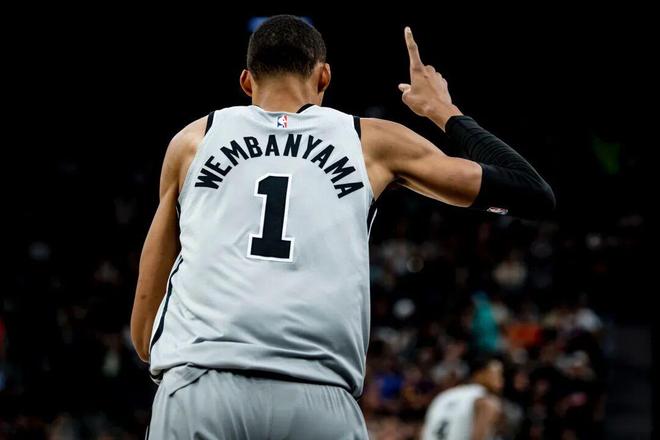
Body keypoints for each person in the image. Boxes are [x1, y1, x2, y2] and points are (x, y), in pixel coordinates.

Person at [130, 14, 554, 439]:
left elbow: (145, 331)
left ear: (246, 81)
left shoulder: (193, 141)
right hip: (319, 395)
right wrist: (442, 111)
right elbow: (531, 192)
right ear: (324, 77)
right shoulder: (370, 141)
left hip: (201, 387)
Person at [421, 354, 504, 440]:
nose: (501, 380)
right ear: (480, 374)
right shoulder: (485, 399)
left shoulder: (443, 396)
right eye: (497, 374)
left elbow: (423, 430)